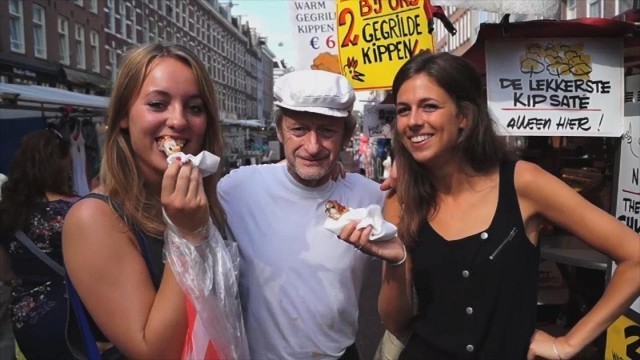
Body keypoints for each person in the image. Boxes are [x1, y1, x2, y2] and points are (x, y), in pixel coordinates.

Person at [337, 51, 640, 359]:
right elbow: (393, 320)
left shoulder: (523, 183)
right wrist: (398, 261)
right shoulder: (402, 196)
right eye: (404, 110)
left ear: (463, 116)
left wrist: (568, 344)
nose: (414, 121)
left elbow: (635, 257)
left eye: (429, 106)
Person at [62, 43, 245, 359]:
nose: (178, 121)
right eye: (158, 104)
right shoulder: (93, 218)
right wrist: (187, 235)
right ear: (122, 116)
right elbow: (155, 352)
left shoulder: (205, 203)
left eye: (195, 107)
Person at [218, 69, 385, 359]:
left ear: (346, 136)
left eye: (327, 131)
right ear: (280, 130)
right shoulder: (236, 190)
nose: (312, 146)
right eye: (299, 129)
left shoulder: (370, 196)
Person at [0, 129, 78, 359]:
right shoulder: (79, 211)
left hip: (27, 321)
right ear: (61, 163)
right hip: (74, 319)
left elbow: (4, 273)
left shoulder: (7, 213)